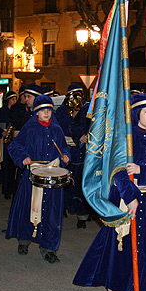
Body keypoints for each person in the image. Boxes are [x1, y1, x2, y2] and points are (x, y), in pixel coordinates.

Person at [73, 94, 146, 291]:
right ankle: (114, 283)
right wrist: (131, 197)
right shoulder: (124, 140)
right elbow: (117, 171)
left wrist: (142, 170)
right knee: (120, 242)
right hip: (125, 196)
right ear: (136, 114)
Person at [5, 95, 70, 263]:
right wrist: (23, 157)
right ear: (36, 112)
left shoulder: (57, 129)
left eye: (49, 110)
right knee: (29, 208)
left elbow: (64, 146)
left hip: (53, 176)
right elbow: (14, 145)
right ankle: (24, 240)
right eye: (43, 110)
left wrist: (66, 156)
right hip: (33, 176)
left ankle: (49, 248)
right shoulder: (30, 128)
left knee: (52, 213)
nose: (46, 113)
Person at [55, 83, 89, 228]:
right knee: (64, 180)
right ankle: (61, 209)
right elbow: (64, 126)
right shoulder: (62, 111)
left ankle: (82, 215)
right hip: (67, 149)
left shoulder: (86, 109)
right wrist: (78, 135)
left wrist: (86, 134)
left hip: (82, 151)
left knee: (81, 181)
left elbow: (90, 123)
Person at [0, 91, 17, 191]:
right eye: (13, 99)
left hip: (11, 140)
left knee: (8, 164)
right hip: (1, 139)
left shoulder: (16, 112)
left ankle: (7, 185)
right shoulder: (0, 112)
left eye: (15, 99)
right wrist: (1, 132)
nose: (14, 101)